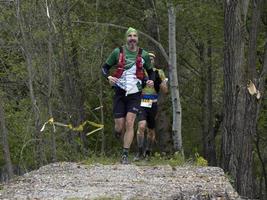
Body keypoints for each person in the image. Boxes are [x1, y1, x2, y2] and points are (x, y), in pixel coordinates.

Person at [101, 27, 154, 164]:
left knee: (130, 122)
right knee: (120, 125)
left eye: (135, 36)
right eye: (130, 36)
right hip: (119, 92)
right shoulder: (118, 52)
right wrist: (108, 77)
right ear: (126, 38)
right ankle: (118, 131)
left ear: (137, 39)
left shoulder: (144, 54)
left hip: (135, 93)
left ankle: (125, 155)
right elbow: (104, 67)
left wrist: (151, 80)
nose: (132, 38)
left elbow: (151, 71)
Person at [134, 52, 168, 161]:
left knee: (151, 130)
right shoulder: (138, 72)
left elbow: (165, 91)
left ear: (154, 61)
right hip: (141, 102)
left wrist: (161, 84)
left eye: (152, 59)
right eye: (148, 59)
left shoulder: (159, 72)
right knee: (141, 126)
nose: (150, 61)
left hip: (153, 103)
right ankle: (139, 152)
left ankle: (148, 152)